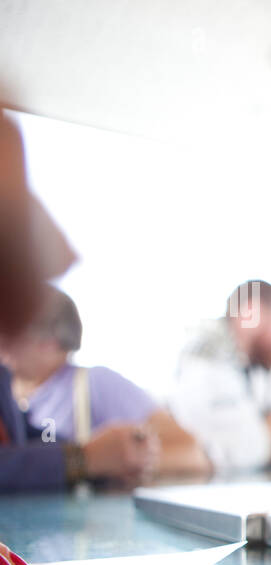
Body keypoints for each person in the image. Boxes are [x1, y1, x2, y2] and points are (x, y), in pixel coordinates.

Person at [1, 108, 157, 517]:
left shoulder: (93, 383)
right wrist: (81, 460)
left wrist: (102, 460)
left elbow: (16, 449)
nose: (65, 255)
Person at [3, 287, 210, 477]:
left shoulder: (94, 383)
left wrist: (120, 461)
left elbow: (190, 451)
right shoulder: (12, 400)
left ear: (49, 341)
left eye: (13, 329)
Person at [169, 280, 271, 473]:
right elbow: (234, 453)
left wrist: (267, 436)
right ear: (251, 313)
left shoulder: (266, 361)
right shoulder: (205, 355)